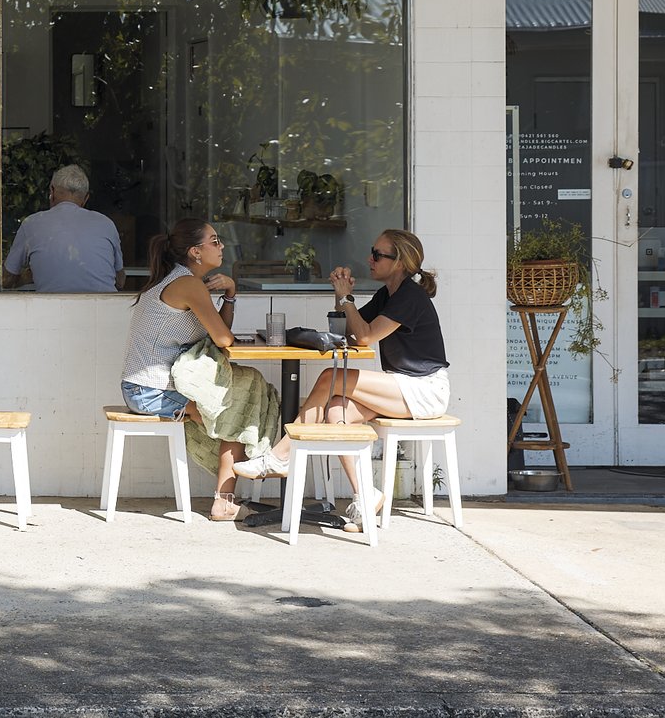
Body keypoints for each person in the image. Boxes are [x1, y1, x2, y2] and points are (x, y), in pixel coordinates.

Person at [235, 228, 450, 529]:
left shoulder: (410, 296)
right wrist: (342, 297)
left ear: (399, 261)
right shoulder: (387, 294)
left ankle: (281, 455)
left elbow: (365, 336)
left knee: (329, 378)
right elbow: (350, 333)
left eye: (377, 255)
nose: (369, 259)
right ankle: (366, 495)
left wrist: (347, 299)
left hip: (424, 389)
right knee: (336, 410)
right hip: (399, 385)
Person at [119, 218, 255, 521]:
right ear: (195, 252)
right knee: (235, 408)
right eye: (215, 241)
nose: (221, 247)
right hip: (149, 391)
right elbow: (223, 338)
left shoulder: (182, 281)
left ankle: (231, 490)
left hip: (144, 388)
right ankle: (224, 500)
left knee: (243, 392)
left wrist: (230, 294)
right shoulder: (187, 284)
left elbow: (218, 334)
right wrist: (227, 296)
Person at [3, 164, 125, 293]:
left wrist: (26, 277)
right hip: (107, 309)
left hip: (54, 310)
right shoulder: (106, 224)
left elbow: (6, 279)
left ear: (52, 190)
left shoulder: (31, 223)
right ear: (86, 198)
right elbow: (120, 281)